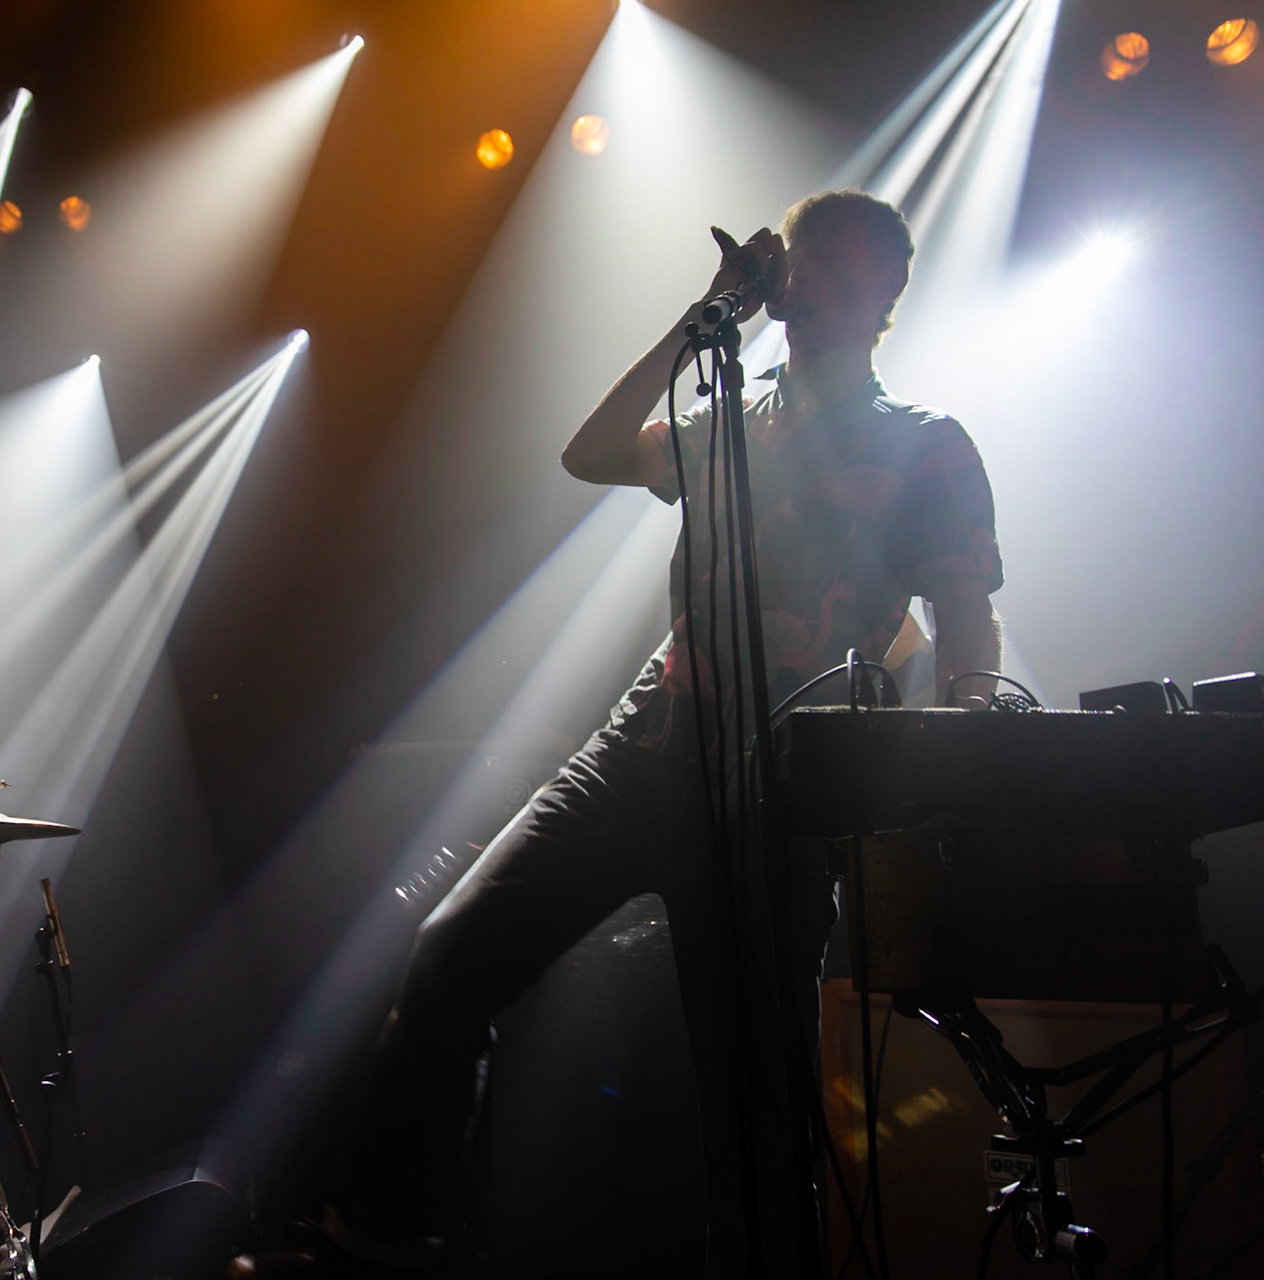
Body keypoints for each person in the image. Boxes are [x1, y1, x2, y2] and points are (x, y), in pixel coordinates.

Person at [318, 191, 1003, 1275]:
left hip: (778, 791)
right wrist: (704, 315)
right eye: (804, 259)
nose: (814, 278)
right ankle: (374, 1243)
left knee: (755, 1113)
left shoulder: (924, 446)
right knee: (453, 953)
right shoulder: (729, 415)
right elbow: (589, 452)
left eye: (842, 264)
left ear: (889, 294)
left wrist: (971, 731)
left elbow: (966, 611)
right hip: (643, 749)